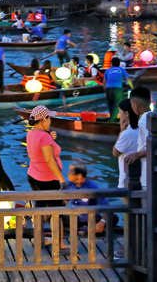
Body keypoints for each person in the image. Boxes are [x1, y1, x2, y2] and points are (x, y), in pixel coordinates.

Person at [26, 105, 67, 247]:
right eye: (49, 118)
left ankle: (39, 239)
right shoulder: (44, 137)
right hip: (48, 178)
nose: (51, 121)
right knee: (56, 212)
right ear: (43, 119)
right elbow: (49, 160)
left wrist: (50, 135)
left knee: (40, 208)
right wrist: (61, 179)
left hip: (33, 175)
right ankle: (60, 244)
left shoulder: (31, 133)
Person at [124, 86, 157, 187]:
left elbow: (156, 147)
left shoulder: (143, 120)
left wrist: (136, 155)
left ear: (135, 105)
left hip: (149, 169)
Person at [65, 163, 113, 234]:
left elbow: (107, 207)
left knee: (113, 218)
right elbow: (64, 202)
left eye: (70, 172)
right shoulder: (70, 184)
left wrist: (102, 222)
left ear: (79, 175)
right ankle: (83, 230)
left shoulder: (92, 187)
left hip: (92, 219)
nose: (68, 173)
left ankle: (80, 230)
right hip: (76, 219)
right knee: (56, 217)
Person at [112, 99, 139, 188]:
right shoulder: (141, 129)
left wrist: (121, 132)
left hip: (126, 179)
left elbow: (115, 153)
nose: (119, 115)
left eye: (120, 112)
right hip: (139, 178)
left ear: (127, 114)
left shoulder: (126, 133)